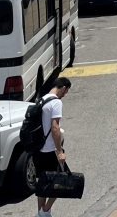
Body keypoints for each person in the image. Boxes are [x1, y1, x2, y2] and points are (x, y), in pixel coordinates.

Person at [36, 76, 72, 217]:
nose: (64, 95)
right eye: (66, 92)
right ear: (63, 88)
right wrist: (60, 151)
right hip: (50, 149)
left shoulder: (41, 100)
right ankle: (45, 211)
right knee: (62, 182)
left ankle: (41, 212)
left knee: (43, 182)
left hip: (38, 149)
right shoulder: (56, 103)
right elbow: (55, 128)